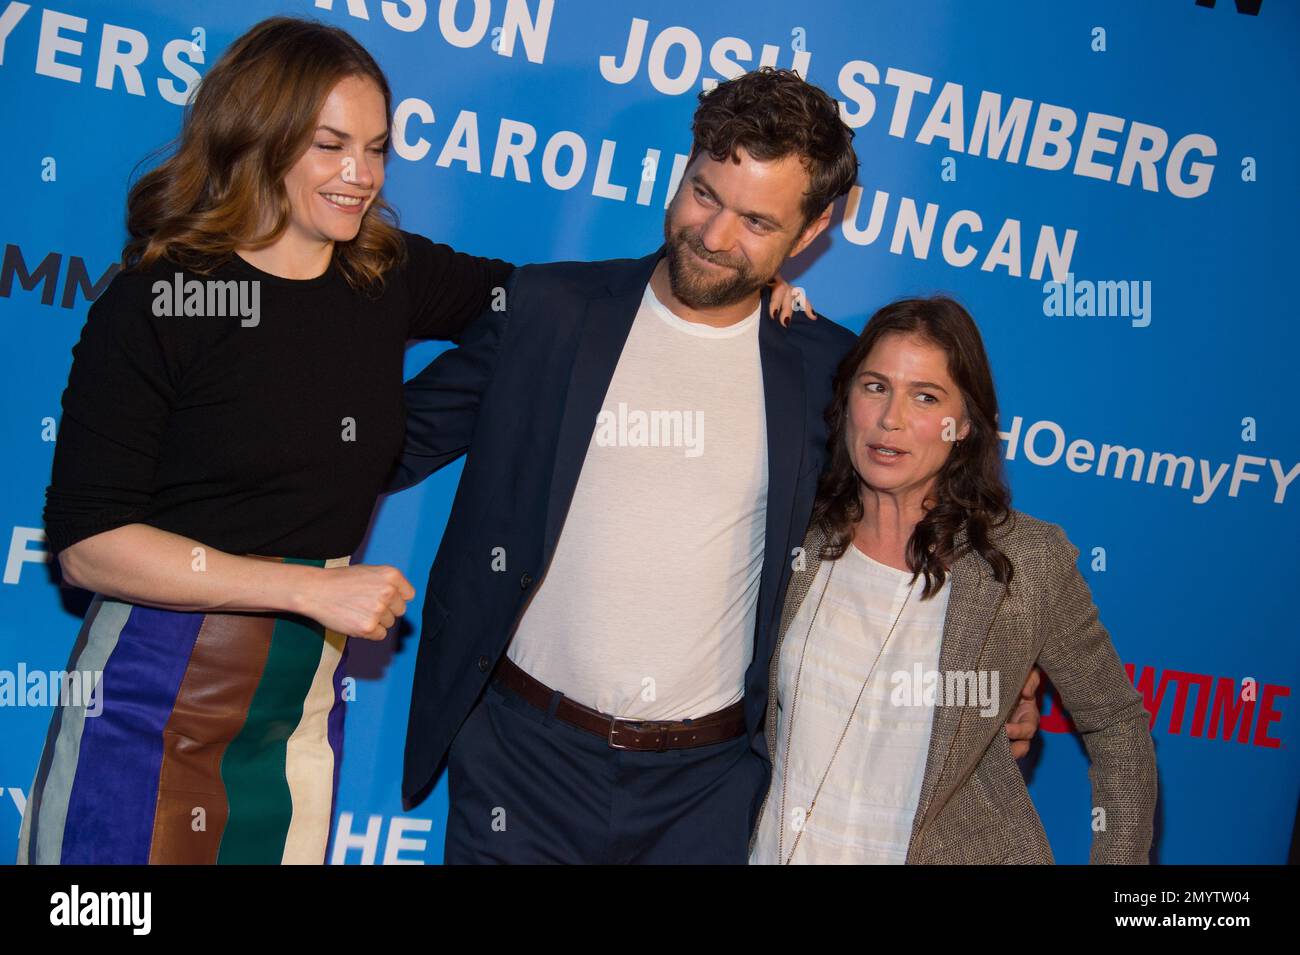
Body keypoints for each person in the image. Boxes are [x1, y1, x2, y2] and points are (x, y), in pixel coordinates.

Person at [389, 68, 1044, 864]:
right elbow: (386, 448)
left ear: (808, 237)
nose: (715, 235)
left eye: (757, 223)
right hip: (519, 762)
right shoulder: (549, 312)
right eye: (706, 195)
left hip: (704, 793)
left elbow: (914, 531)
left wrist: (991, 679)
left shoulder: (825, 375)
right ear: (684, 168)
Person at [16, 16, 523, 865]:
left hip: (297, 712)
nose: (360, 175)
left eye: (377, 147)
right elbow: (90, 547)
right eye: (329, 146)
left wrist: (726, 296)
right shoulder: (160, 303)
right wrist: (307, 592)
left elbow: (543, 308)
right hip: (146, 699)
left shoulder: (385, 272)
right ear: (258, 136)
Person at [748, 297, 1157, 864]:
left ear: (963, 424)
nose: (890, 418)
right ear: (846, 400)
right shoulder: (795, 530)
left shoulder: (1024, 562)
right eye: (874, 386)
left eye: (925, 397)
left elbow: (1116, 726)